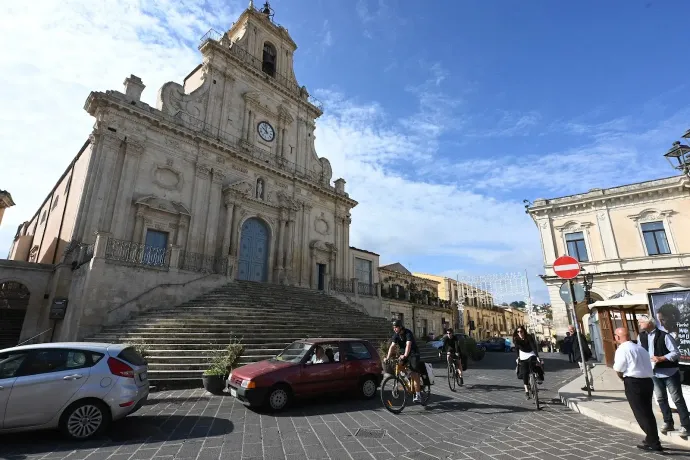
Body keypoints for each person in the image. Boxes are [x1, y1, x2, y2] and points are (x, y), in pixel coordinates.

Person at [612, 327, 662, 452]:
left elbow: (618, 368)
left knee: (641, 414)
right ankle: (651, 439)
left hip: (634, 381)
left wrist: (622, 379)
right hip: (647, 381)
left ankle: (654, 442)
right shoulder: (640, 348)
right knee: (647, 412)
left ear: (618, 337)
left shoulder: (622, 349)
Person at [638, 316, 690, 437]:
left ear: (649, 323)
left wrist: (661, 358)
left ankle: (686, 425)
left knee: (676, 398)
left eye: (641, 321)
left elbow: (676, 353)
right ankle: (668, 422)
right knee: (661, 398)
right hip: (654, 372)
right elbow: (640, 351)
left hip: (669, 371)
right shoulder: (641, 336)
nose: (639, 323)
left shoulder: (664, 335)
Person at [386, 319, 425, 404]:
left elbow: (408, 345)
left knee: (414, 373)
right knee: (400, 366)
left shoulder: (408, 333)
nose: (394, 329)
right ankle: (409, 376)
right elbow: (392, 346)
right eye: (393, 327)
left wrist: (405, 355)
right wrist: (387, 357)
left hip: (413, 354)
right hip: (404, 354)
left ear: (400, 327)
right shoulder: (396, 335)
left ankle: (418, 395)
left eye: (396, 327)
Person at [513, 326, 544, 400]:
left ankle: (539, 376)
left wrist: (537, 356)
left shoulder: (529, 337)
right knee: (525, 372)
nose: (519, 333)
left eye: (521, 331)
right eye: (518, 332)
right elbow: (517, 349)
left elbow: (533, 346)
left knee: (534, 363)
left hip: (531, 353)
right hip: (523, 354)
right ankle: (527, 391)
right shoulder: (516, 339)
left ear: (524, 331)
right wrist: (517, 358)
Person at [569, 325, 594, 392]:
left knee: (587, 371)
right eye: (569, 330)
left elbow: (584, 346)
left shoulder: (579, 336)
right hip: (579, 357)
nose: (570, 331)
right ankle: (587, 385)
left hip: (583, 356)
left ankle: (590, 386)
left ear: (574, 329)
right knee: (584, 371)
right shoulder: (574, 336)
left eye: (571, 329)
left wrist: (588, 354)